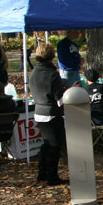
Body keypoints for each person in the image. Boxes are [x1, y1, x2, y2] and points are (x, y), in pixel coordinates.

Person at [29, 43, 67, 185]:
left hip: (39, 111)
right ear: (52, 56)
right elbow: (59, 99)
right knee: (54, 146)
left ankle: (42, 174)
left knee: (46, 145)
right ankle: (52, 177)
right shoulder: (52, 74)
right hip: (52, 113)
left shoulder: (33, 73)